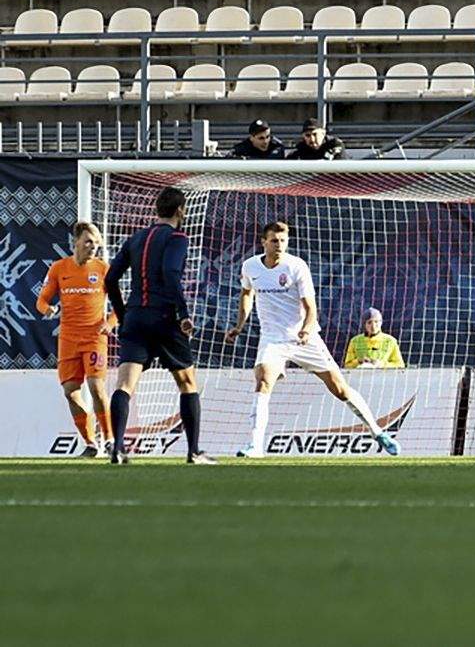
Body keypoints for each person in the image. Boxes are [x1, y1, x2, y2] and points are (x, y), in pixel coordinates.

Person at [224, 221, 399, 458]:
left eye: (283, 241)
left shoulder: (296, 266)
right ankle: (255, 446)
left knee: (339, 389)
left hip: (303, 338)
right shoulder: (250, 266)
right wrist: (239, 326)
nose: (279, 245)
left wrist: (306, 330)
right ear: (263, 242)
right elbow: (247, 293)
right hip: (273, 339)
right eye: (274, 241)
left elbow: (310, 308)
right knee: (263, 381)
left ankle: (377, 432)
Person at [104, 187, 214, 465]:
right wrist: (183, 312)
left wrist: (123, 314)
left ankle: (118, 448)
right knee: (187, 383)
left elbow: (110, 280)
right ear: (180, 210)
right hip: (164, 317)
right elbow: (170, 272)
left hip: (135, 319)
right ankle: (194, 452)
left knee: (124, 384)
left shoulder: (135, 238)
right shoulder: (177, 237)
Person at [37, 222, 116, 458]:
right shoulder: (59, 268)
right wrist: (48, 309)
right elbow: (41, 301)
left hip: (94, 337)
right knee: (70, 392)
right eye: (88, 241)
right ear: (76, 242)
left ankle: (110, 439)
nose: (93, 247)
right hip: (68, 339)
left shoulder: (103, 269)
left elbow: (121, 305)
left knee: (96, 387)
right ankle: (91, 443)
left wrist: (110, 323)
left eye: (96, 243)